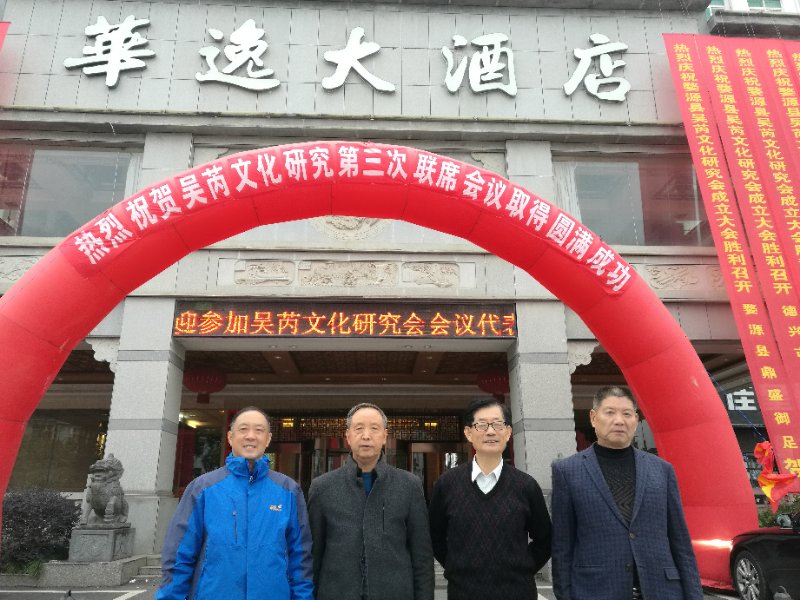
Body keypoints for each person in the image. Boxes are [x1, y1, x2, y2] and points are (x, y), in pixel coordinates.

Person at [551, 386, 703, 600]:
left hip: (662, 591)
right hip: (596, 591)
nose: (619, 421)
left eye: (627, 414)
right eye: (610, 412)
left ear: (636, 420)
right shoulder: (567, 471)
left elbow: (680, 541)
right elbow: (562, 546)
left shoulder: (662, 470)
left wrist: (694, 595)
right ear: (593, 418)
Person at [156, 407, 313, 600]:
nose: (251, 436)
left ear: (268, 439)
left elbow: (301, 557)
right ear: (230, 437)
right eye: (243, 429)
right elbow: (180, 554)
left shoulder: (288, 490)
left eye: (259, 430)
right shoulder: (203, 488)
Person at [428, 397, 552, 600]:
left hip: (518, 593)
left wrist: (522, 568)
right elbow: (435, 537)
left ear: (508, 432)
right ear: (468, 433)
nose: (491, 431)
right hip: (463, 593)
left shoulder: (526, 486)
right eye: (482, 425)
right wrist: (457, 566)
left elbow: (545, 539)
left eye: (497, 424)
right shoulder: (447, 484)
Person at [308, 402, 434, 600]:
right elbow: (313, 557)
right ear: (348, 436)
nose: (366, 435)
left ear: (384, 436)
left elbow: (422, 558)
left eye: (374, 428)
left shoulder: (409, 485)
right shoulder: (322, 487)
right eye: (359, 428)